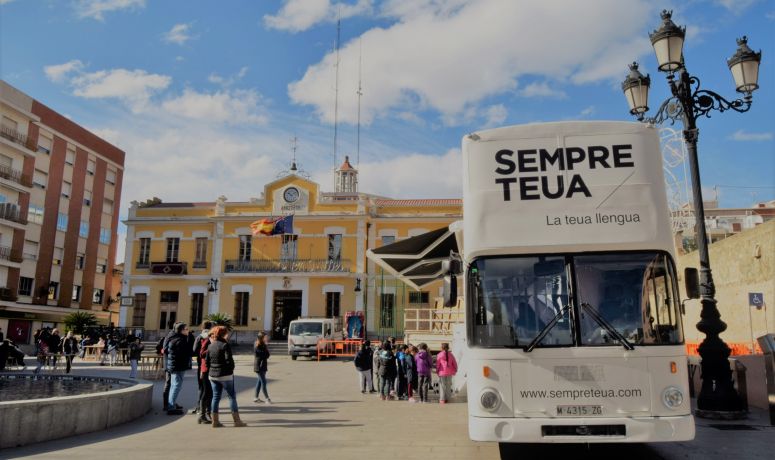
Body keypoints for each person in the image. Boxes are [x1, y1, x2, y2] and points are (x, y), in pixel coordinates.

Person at [206, 326, 246, 427]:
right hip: (225, 375)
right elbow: (229, 361)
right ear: (223, 334)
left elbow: (207, 362)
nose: (228, 334)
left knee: (215, 397)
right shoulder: (225, 345)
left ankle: (215, 421)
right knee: (231, 397)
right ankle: (237, 421)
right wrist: (230, 370)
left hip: (213, 375)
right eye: (226, 333)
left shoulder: (210, 345)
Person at [164, 322, 192, 415]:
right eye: (186, 329)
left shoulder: (176, 338)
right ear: (181, 330)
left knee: (173, 386)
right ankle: (171, 407)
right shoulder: (180, 340)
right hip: (178, 366)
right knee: (176, 386)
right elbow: (186, 353)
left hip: (175, 366)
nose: (188, 330)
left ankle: (171, 404)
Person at [192, 320, 213, 418]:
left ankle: (199, 407)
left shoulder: (199, 337)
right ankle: (207, 409)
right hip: (210, 365)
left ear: (202, 327)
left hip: (201, 364)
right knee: (208, 389)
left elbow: (194, 350)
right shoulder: (212, 336)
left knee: (201, 387)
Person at [253, 332, 272, 404]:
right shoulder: (257, 345)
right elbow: (265, 355)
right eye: (265, 337)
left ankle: (255, 397)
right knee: (264, 382)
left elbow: (266, 355)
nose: (267, 338)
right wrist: (266, 348)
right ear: (262, 338)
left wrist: (266, 348)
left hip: (263, 365)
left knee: (259, 382)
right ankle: (267, 398)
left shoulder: (263, 345)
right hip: (259, 366)